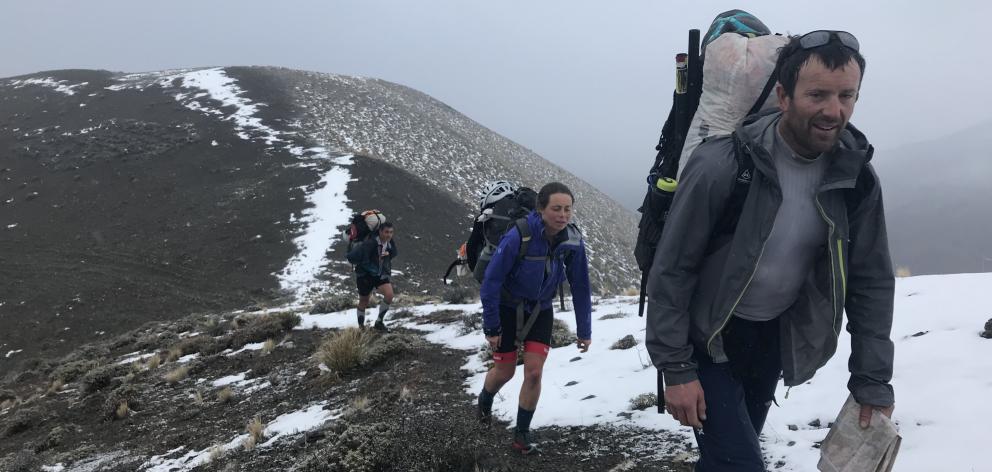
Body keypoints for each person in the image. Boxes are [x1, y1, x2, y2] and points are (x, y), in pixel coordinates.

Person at [645, 31, 895, 471]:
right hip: (706, 338)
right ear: (783, 95)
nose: (833, 110)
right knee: (741, 464)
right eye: (817, 94)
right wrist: (676, 368)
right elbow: (673, 268)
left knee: (730, 458)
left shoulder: (856, 178)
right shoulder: (723, 164)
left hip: (772, 340)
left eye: (846, 95)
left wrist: (871, 380)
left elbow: (870, 280)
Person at [476, 182, 593, 455]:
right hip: (506, 308)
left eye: (567, 209)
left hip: (541, 310)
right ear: (541, 209)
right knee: (504, 371)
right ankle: (484, 401)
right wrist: (491, 326)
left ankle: (521, 435)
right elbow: (491, 282)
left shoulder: (572, 240)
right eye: (556, 209)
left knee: (534, 372)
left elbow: (581, 287)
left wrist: (584, 330)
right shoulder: (520, 235)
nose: (562, 215)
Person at [347, 221, 397, 332]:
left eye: (391, 232)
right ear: (380, 232)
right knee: (364, 301)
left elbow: (394, 253)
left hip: (380, 274)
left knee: (389, 295)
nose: (389, 235)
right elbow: (364, 261)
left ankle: (379, 322)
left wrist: (388, 254)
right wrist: (376, 266)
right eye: (386, 232)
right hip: (365, 275)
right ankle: (361, 328)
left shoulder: (390, 242)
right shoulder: (370, 243)